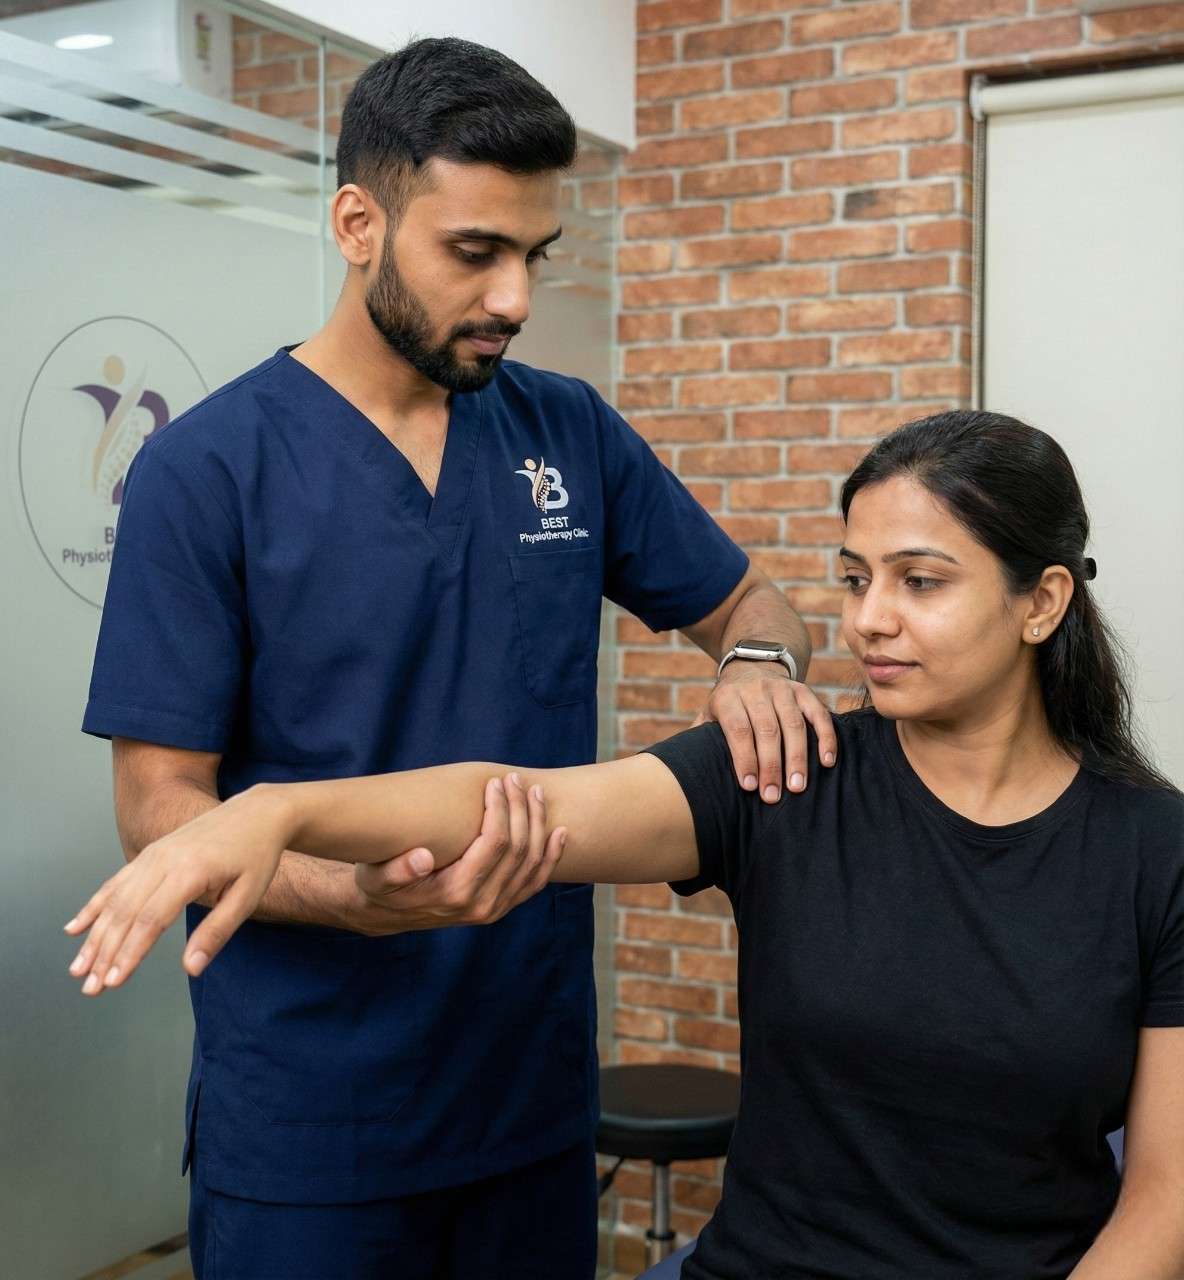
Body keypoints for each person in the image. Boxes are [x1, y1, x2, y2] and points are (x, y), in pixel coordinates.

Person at [71, 410, 1184, 1279]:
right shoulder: (788, 772)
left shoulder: (1153, 851)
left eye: (918, 581)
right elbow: (508, 802)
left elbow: (1161, 1201)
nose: (865, 621)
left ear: (1038, 603)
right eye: (853, 579)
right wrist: (275, 813)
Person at [78, 35, 835, 1280]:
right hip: (310, 1128)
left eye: (532, 254)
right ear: (357, 221)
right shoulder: (206, 471)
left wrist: (756, 659)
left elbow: (755, 599)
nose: (513, 299)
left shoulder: (566, 430)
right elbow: (162, 814)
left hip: (527, 1104)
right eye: (472, 252)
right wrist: (352, 899)